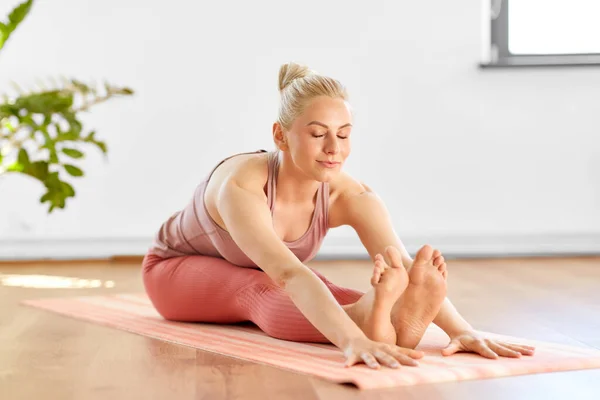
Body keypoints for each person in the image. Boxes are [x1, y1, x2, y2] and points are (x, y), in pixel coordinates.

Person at [142, 62, 535, 370]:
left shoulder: (351, 194)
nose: (334, 148)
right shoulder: (242, 186)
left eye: (344, 134)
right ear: (280, 136)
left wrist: (462, 331)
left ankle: (378, 316)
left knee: (326, 289)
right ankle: (367, 319)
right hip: (174, 271)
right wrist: (351, 340)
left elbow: (407, 266)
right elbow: (289, 274)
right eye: (318, 134)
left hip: (260, 273)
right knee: (260, 289)